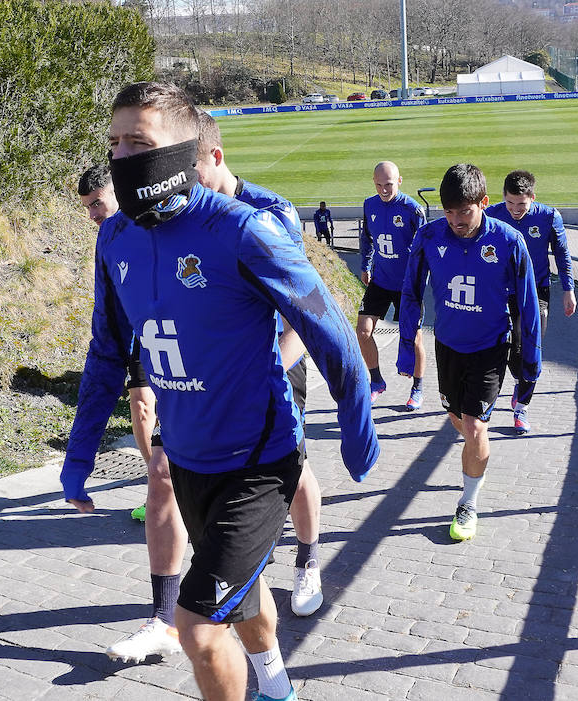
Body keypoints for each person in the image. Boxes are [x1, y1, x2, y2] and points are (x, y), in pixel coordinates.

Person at [61, 81, 378, 701]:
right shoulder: (115, 239)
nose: (123, 157)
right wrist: (79, 456)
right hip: (188, 460)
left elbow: (328, 325)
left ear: (185, 149)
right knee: (244, 592)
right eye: (115, 143)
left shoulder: (245, 230)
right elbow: (106, 351)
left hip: (260, 462)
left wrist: (356, 422)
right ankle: (278, 687)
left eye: (139, 142)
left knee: (198, 627)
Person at [195, 108, 325, 618]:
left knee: (292, 465)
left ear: (216, 157)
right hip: (216, 371)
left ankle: (308, 560)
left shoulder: (272, 213)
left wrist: (272, 364)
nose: (184, 187)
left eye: (193, 173)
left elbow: (307, 309)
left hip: (274, 362)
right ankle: (243, 571)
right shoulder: (189, 215)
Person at [77, 164, 186, 664]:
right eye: (89, 209)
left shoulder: (216, 222)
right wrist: (78, 459)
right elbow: (105, 336)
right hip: (150, 348)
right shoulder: (110, 243)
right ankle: (166, 618)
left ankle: (306, 554)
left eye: (99, 203)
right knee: (160, 466)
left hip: (225, 382)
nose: (96, 214)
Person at [397, 163, 540, 542]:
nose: (456, 220)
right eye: (449, 211)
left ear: (484, 203)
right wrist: (406, 351)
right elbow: (410, 293)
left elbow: (528, 307)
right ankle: (474, 451)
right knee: (459, 421)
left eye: (465, 211)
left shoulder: (509, 242)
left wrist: (531, 364)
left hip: (490, 347)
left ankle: (469, 502)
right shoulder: (429, 237)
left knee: (475, 427)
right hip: (447, 346)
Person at [484, 170, 576, 435]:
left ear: (532, 198)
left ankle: (522, 407)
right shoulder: (492, 215)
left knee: (530, 349)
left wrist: (569, 290)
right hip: (501, 291)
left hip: (536, 292)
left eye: (521, 204)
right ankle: (517, 381)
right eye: (510, 203)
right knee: (505, 349)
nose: (515, 210)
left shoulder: (548, 217)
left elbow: (562, 254)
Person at [357, 161, 426, 409]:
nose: (383, 190)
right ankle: (377, 381)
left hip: (407, 284)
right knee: (363, 332)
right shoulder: (369, 204)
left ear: (399, 181)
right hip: (380, 279)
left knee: (414, 337)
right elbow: (366, 237)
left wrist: (419, 282)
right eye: (378, 185)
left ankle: (417, 387)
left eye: (388, 184)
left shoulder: (412, 209)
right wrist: (365, 265)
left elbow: (423, 249)